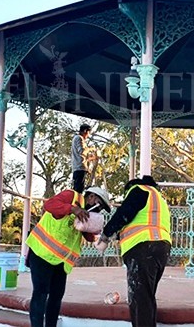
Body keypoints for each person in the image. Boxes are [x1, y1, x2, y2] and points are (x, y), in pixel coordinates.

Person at [25, 186, 111, 327]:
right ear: (91, 198)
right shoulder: (71, 196)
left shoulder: (86, 213)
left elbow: (89, 237)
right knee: (40, 293)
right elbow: (49, 205)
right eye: (99, 205)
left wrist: (92, 226)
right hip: (41, 253)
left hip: (61, 261)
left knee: (56, 296)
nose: (99, 209)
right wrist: (73, 209)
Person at [96, 175, 171, 327]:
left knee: (139, 300)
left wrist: (106, 235)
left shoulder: (138, 190)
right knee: (146, 297)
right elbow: (139, 221)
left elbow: (124, 214)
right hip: (161, 248)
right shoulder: (159, 199)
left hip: (143, 248)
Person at [71, 124, 92, 193]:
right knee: (79, 190)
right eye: (88, 133)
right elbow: (82, 151)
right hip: (80, 167)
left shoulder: (76, 138)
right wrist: (90, 149)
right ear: (85, 131)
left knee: (79, 188)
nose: (88, 136)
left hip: (79, 167)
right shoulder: (79, 138)